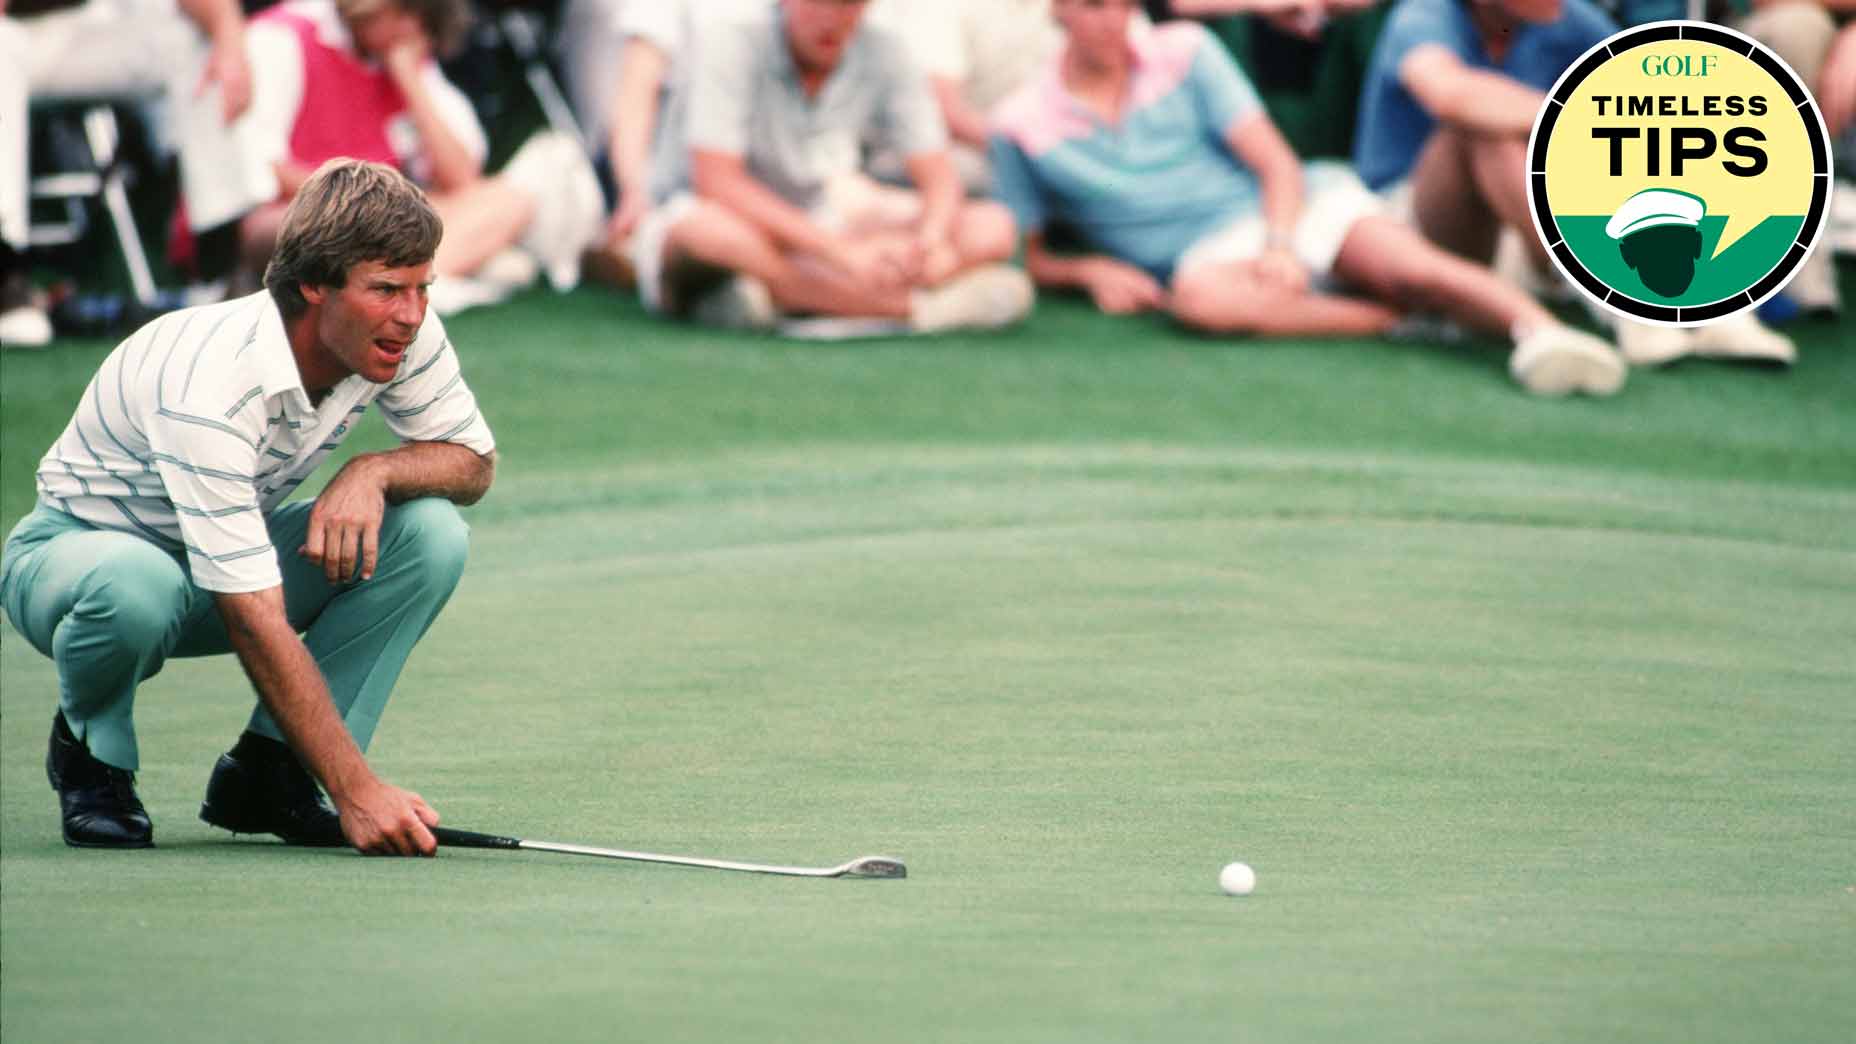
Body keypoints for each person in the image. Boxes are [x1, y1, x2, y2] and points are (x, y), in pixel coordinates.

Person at [0, 159, 496, 855]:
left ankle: (269, 775)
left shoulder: (399, 330)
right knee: (139, 585)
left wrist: (374, 470)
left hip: (216, 562)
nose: (411, 315)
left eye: (422, 288)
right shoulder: (211, 382)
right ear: (313, 286)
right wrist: (359, 792)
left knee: (431, 533)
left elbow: (473, 463)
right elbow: (252, 615)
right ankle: (91, 754)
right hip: (70, 560)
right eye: (387, 289)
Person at [991, 0, 1627, 396]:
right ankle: (1406, 320)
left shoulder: (1185, 49)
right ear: (1058, 10)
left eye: (1123, 4)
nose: (1114, 19)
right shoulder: (1019, 123)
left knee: (1413, 267)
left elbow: (1277, 166)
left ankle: (1542, 334)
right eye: (1095, 4)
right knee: (1200, 302)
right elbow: (1029, 254)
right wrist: (1089, 269)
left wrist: (1278, 242)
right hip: (1205, 258)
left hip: (1288, 209)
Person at [1355, 0, 1795, 365]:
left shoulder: (1576, 20)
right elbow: (1451, 94)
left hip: (1522, 233)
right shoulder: (1425, 15)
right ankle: (1625, 301)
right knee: (1482, 131)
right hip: (1414, 231)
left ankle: (1703, 296)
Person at [629, 0, 1033, 334]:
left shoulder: (886, 50)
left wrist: (930, 243)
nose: (832, 19)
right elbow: (717, 183)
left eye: (847, 4)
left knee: (993, 224)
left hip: (821, 224)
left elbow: (939, 178)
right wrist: (842, 255)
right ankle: (911, 310)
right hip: (726, 220)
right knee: (705, 234)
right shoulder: (730, 40)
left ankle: (778, 297)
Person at [238, 0, 604, 314]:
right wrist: (364, 202)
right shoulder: (282, 37)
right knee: (314, 227)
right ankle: (413, 280)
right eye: (408, 11)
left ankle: (395, 284)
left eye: (424, 20)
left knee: (511, 199)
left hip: (388, 221)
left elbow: (461, 176)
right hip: (302, 214)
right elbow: (261, 167)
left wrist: (408, 78)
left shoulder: (407, 58)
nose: (413, 30)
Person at [0, 0, 276, 347]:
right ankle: (6, 276)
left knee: (192, 41)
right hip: (16, 36)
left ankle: (221, 270)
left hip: (96, 24)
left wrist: (230, 42)